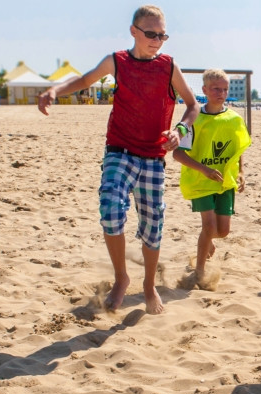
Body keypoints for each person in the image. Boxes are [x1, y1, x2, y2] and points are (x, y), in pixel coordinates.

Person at [37, 5, 199, 315]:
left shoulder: (168, 66)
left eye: (162, 35)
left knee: (153, 225)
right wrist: (55, 90)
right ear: (133, 31)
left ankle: (149, 284)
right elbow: (84, 80)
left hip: (153, 158)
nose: (157, 40)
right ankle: (121, 277)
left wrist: (179, 130)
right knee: (111, 210)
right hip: (119, 150)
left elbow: (192, 106)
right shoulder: (117, 61)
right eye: (151, 34)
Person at [172, 69, 251, 288]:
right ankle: (199, 272)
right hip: (199, 181)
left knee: (222, 231)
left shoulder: (234, 119)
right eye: (216, 89)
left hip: (223, 181)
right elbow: (177, 154)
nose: (221, 93)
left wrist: (241, 171)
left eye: (225, 89)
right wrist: (204, 169)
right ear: (204, 90)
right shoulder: (194, 119)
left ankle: (207, 242)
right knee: (208, 226)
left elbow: (238, 148)